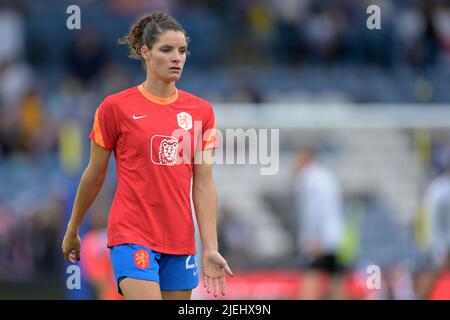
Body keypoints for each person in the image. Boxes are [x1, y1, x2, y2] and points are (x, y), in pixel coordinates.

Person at [61, 12, 233, 300]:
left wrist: (211, 247)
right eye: (166, 50)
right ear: (145, 53)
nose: (176, 58)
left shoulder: (201, 111)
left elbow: (203, 184)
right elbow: (95, 174)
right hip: (132, 235)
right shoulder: (114, 108)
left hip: (180, 241)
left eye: (182, 51)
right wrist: (73, 228)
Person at [293, 147, 346, 299]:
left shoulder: (311, 180)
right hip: (334, 236)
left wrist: (314, 237)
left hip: (320, 240)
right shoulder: (327, 177)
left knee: (311, 277)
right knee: (336, 278)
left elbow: (314, 211)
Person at [416, 164, 450, 299]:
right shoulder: (441, 190)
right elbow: (434, 222)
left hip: (441, 248)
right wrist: (439, 251)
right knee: (431, 285)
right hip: (441, 249)